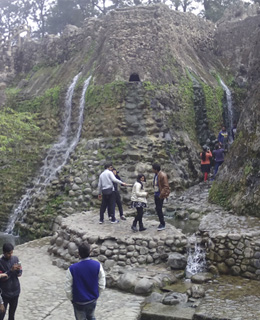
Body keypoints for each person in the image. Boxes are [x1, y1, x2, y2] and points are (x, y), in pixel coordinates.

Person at [65, 243, 106, 320]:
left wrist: (72, 299)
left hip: (78, 301)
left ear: (79, 254)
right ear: (90, 252)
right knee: (91, 316)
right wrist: (97, 295)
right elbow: (102, 284)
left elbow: (68, 287)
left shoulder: (72, 269)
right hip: (92, 300)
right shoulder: (97, 265)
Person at [0, 243, 22, 320]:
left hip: (15, 292)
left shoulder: (15, 259)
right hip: (5, 294)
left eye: (12, 252)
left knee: (12, 315)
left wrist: (18, 270)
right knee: (1, 315)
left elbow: (19, 274)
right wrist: (11, 270)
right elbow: (2, 278)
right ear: (4, 253)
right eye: (9, 253)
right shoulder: (0, 262)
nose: (11, 255)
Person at [152, 163, 170, 231]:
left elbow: (166, 186)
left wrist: (161, 195)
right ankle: (161, 223)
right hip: (156, 194)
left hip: (160, 195)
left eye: (153, 168)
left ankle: (162, 224)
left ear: (155, 169)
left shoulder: (162, 175)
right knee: (157, 209)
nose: (152, 169)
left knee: (159, 209)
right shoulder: (156, 175)